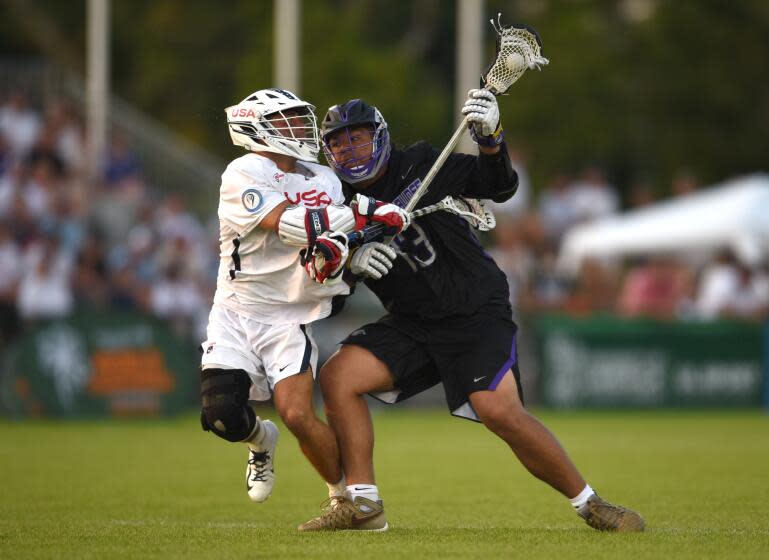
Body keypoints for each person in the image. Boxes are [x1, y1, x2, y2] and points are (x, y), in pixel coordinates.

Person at [298, 92, 645, 532]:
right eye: (340, 144)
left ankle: (591, 504)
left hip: (473, 311)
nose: (350, 151)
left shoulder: (422, 163)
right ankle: (363, 504)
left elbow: (499, 186)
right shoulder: (335, 203)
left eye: (359, 139)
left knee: (498, 411)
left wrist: (490, 139)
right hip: (412, 323)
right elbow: (331, 296)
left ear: (381, 138)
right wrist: (347, 264)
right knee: (338, 377)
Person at [199, 88, 407, 506]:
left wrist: (355, 251)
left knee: (296, 414)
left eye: (299, 118)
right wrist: (366, 211)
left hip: (290, 313)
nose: (299, 128)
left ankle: (342, 498)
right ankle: (260, 440)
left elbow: (332, 241)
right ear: (256, 129)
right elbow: (287, 224)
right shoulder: (243, 173)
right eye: (287, 120)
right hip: (237, 308)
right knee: (220, 413)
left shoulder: (323, 177)